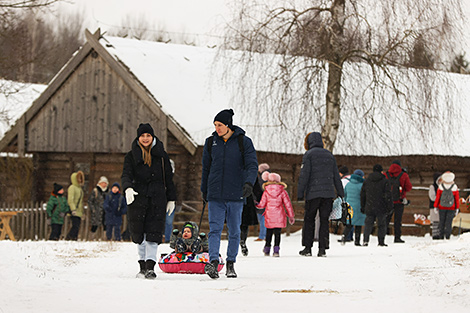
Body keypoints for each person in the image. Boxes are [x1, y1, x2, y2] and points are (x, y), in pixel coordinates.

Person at [200, 109, 258, 279]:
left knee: (234, 230)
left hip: (236, 193)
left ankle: (231, 263)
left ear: (228, 125)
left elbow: (252, 165)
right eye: (215, 125)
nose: (217, 128)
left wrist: (248, 183)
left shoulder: (243, 142)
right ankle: (213, 262)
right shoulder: (211, 142)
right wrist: (204, 190)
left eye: (220, 125)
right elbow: (206, 168)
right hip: (215, 193)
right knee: (215, 229)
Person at [121, 123, 176, 279]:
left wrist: (172, 198)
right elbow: (126, 175)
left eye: (148, 136)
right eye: (143, 136)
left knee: (153, 233)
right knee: (140, 234)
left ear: (152, 137)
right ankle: (142, 267)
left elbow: (169, 179)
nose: (145, 138)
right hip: (138, 198)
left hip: (157, 199)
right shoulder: (131, 156)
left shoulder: (162, 156)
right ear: (139, 137)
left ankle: (150, 267)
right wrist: (128, 188)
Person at [297, 132, 344, 257]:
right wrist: (340, 192)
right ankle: (322, 249)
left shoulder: (309, 155)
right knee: (324, 221)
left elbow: (304, 175)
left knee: (309, 219)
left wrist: (300, 193)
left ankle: (307, 248)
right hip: (328, 194)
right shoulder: (329, 155)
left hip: (313, 194)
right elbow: (336, 176)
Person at [256, 172, 295, 257]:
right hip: (279, 215)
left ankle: (267, 249)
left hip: (269, 215)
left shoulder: (266, 192)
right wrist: (291, 215)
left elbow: (262, 205)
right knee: (277, 233)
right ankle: (276, 250)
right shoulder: (283, 191)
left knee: (269, 232)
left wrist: (256, 204)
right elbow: (287, 204)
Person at [361, 164, 393, 247]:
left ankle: (365, 240)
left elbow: (363, 195)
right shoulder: (385, 181)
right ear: (381, 171)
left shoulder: (367, 181)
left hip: (369, 205)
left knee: (368, 224)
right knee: (382, 224)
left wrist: (363, 206)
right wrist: (389, 206)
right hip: (381, 206)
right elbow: (388, 195)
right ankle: (381, 241)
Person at [385, 160, 412, 243]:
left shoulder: (386, 174)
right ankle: (397, 237)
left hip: (388, 201)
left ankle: (382, 236)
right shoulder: (403, 175)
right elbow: (408, 187)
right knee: (397, 220)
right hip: (399, 201)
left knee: (386, 219)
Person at [340, 169, 366, 246]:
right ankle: (357, 241)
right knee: (358, 224)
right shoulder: (362, 185)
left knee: (349, 224)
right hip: (359, 206)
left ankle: (344, 236)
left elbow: (345, 195)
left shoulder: (348, 184)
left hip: (349, 206)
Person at [434, 171, 459, 240]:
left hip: (442, 207)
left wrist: (435, 206)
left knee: (442, 221)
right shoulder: (454, 187)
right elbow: (456, 199)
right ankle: (448, 236)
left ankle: (441, 235)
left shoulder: (441, 186)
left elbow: (438, 198)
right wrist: (457, 208)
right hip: (451, 207)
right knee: (449, 222)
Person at [65, 170, 85, 241]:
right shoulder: (72, 187)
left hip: (78, 210)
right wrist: (73, 209)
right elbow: (71, 199)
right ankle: (69, 238)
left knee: (77, 226)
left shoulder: (80, 189)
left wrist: (82, 212)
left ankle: (74, 239)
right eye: (78, 178)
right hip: (74, 210)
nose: (80, 180)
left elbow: (80, 201)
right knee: (75, 226)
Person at [253, 163, 270, 241]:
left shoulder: (262, 179)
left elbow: (258, 190)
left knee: (262, 218)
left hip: (262, 201)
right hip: (267, 201)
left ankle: (262, 235)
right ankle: (265, 235)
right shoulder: (270, 178)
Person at [164, 159, 176, 243]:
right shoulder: (161, 177)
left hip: (172, 203)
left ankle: (167, 238)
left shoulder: (176, 178)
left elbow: (179, 192)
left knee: (169, 221)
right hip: (161, 202)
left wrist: (176, 202)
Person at [428, 172, 442, 240]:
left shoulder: (442, 187)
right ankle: (435, 235)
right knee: (435, 222)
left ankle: (440, 234)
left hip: (441, 206)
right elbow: (432, 197)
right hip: (434, 206)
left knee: (440, 221)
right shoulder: (432, 187)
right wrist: (439, 199)